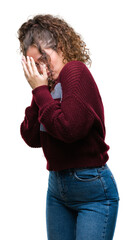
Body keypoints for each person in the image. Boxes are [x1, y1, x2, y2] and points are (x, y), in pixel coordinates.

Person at [18, 14, 119, 240]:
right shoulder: (47, 87)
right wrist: (38, 90)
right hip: (57, 190)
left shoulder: (75, 71)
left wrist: (41, 92)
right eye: (35, 64)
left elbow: (70, 130)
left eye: (44, 58)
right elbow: (31, 136)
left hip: (93, 191)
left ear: (60, 46)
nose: (42, 68)